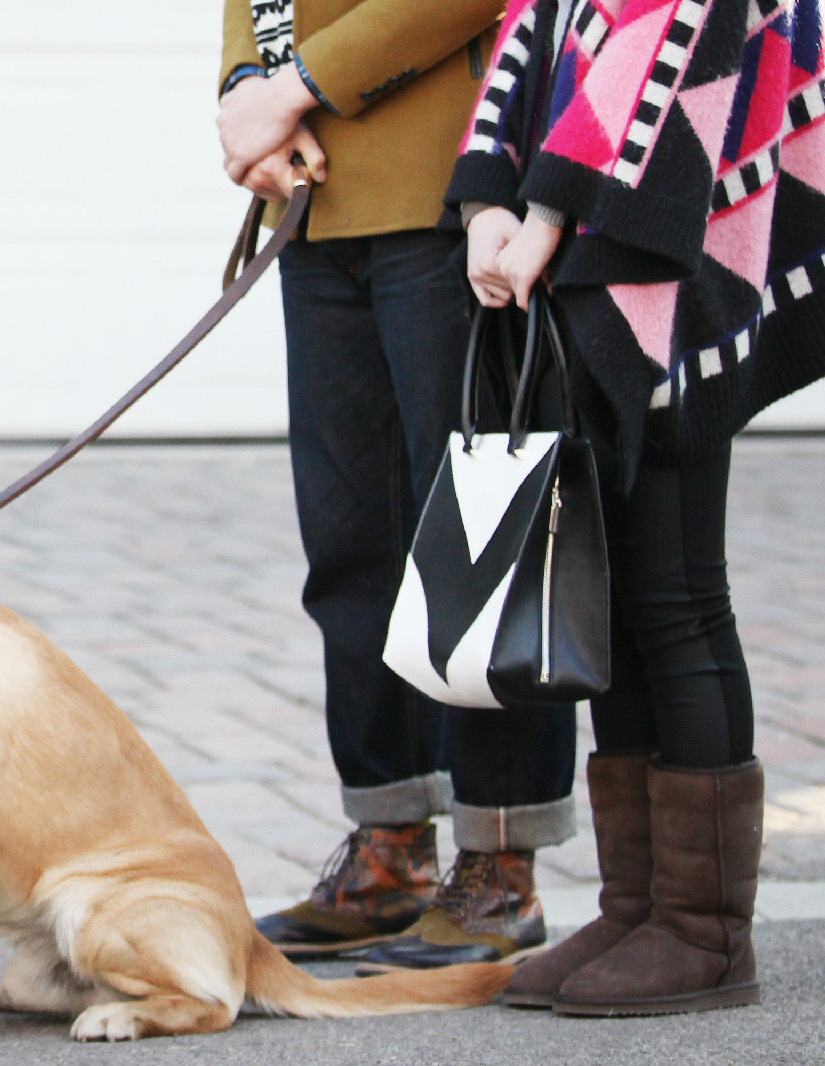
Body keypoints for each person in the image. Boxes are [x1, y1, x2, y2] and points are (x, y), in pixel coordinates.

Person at [449, 0, 825, 1015]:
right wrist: (490, 196)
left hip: (674, 262)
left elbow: (678, 50)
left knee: (677, 593)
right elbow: (539, 31)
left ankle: (705, 934)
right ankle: (637, 905)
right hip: (577, 253)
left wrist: (548, 216)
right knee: (617, 602)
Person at [215, 0, 580, 972]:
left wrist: (290, 87)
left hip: (452, 192)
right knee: (348, 542)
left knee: (474, 533)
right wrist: (245, 96)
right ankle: (390, 843)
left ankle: (499, 860)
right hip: (316, 198)